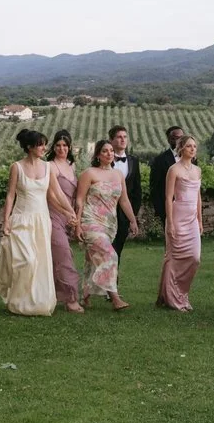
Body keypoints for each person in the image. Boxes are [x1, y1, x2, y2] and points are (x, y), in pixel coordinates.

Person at [0, 130, 57, 316]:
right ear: (29, 147)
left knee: (40, 263)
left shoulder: (48, 167)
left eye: (44, 144)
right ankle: (17, 301)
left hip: (42, 220)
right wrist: (6, 220)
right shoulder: (17, 167)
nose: (44, 148)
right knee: (26, 260)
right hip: (21, 219)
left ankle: (38, 303)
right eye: (40, 144)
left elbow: (55, 194)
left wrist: (69, 212)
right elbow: (10, 195)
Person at [74, 140, 138, 310]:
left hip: (109, 224)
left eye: (111, 151)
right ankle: (115, 298)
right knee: (110, 255)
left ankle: (85, 295)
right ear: (97, 155)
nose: (109, 153)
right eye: (104, 151)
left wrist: (132, 220)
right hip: (90, 220)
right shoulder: (89, 173)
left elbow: (124, 200)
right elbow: (79, 200)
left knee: (92, 259)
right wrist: (77, 225)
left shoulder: (118, 175)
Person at [156, 135, 203, 311]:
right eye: (189, 146)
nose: (192, 149)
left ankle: (182, 294)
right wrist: (170, 223)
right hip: (177, 216)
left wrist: (200, 220)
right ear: (181, 148)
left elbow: (198, 197)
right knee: (173, 258)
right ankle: (170, 298)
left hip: (192, 219)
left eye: (195, 146)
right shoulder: (173, 169)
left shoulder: (197, 170)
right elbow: (168, 198)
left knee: (195, 258)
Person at [45, 130, 84, 313]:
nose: (62, 149)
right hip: (53, 215)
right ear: (53, 147)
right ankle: (71, 299)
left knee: (57, 258)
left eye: (65, 145)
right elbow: (51, 196)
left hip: (69, 218)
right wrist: (67, 212)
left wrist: (75, 215)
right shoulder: (50, 166)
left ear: (69, 147)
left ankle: (51, 295)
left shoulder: (71, 166)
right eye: (58, 145)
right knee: (64, 255)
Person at [108, 125, 143, 263]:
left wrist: (132, 215)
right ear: (111, 140)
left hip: (124, 213)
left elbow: (137, 190)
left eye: (125, 137)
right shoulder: (104, 159)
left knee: (117, 250)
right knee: (106, 250)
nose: (123, 140)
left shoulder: (134, 161)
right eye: (119, 137)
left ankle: (114, 276)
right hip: (106, 210)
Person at [149, 125, 184, 231]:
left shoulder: (192, 159)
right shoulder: (160, 160)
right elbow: (154, 187)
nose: (179, 140)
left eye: (181, 137)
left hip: (187, 206)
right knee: (172, 237)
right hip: (169, 208)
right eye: (175, 138)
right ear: (169, 140)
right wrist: (161, 210)